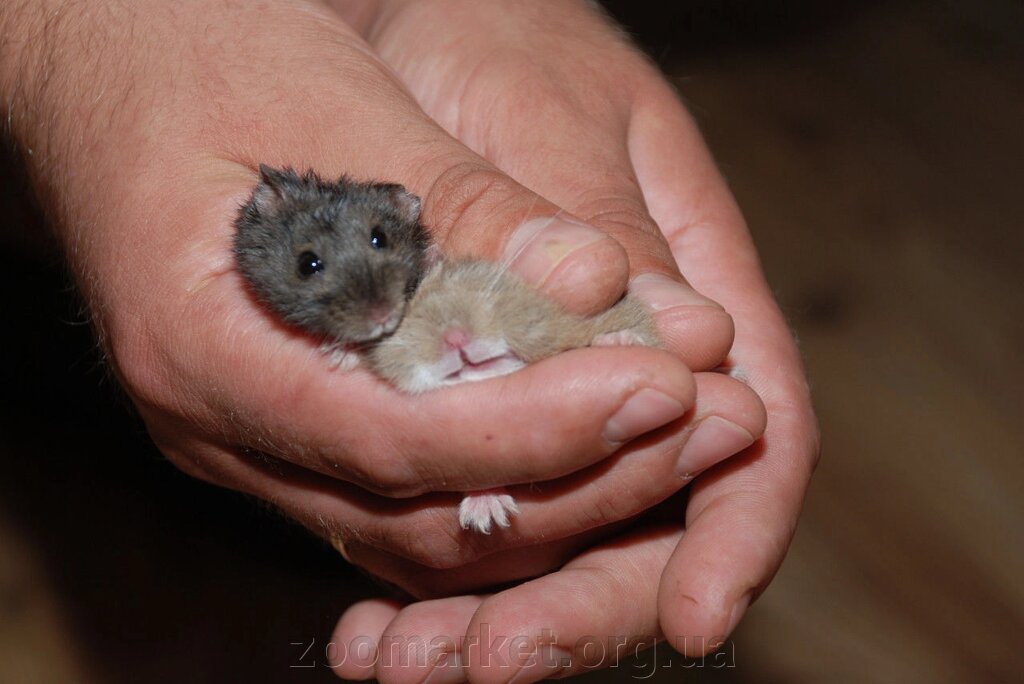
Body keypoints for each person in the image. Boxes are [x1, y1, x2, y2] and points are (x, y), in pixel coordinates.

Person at [0, 0, 818, 681]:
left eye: (388, 251)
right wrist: (76, 45)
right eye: (315, 266)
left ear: (409, 222)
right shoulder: (277, 242)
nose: (371, 303)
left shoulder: (441, 265)